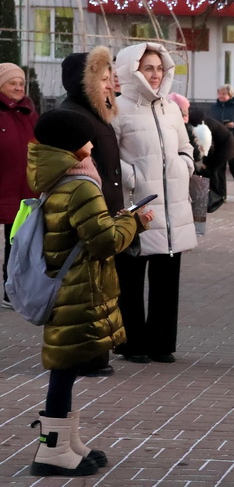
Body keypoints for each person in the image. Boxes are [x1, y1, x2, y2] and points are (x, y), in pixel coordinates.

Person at [25, 109, 152, 477]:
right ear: (72, 146)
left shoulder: (56, 177)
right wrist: (134, 221)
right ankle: (51, 451)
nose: (93, 144)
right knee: (64, 368)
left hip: (67, 284)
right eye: (87, 140)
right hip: (77, 287)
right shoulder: (79, 184)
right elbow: (103, 242)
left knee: (66, 367)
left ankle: (65, 441)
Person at [112, 43, 197, 364]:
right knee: (130, 277)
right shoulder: (117, 108)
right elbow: (108, 156)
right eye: (148, 68)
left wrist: (184, 164)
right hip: (136, 206)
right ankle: (132, 344)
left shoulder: (170, 108)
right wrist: (131, 176)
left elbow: (186, 144)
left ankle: (162, 343)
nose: (156, 74)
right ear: (132, 70)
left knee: (166, 276)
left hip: (172, 204)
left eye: (159, 68)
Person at [58, 48, 124, 377]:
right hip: (86, 213)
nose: (109, 84)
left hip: (102, 210)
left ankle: (95, 354)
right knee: (84, 291)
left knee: (99, 288)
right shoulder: (75, 117)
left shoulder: (97, 115)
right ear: (83, 83)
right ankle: (84, 356)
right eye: (101, 79)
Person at [0, 62, 38, 308]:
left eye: (21, 83)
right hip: (5, 186)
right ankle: (10, 290)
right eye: (12, 83)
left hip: (27, 188)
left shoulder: (30, 113)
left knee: (21, 242)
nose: (18, 87)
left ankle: (15, 290)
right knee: (13, 240)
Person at [188, 108, 234, 213]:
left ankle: (215, 195)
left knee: (213, 170)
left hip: (225, 148)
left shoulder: (204, 127)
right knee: (219, 171)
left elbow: (210, 146)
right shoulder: (206, 122)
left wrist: (206, 162)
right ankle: (222, 195)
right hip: (226, 146)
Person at [208, 84, 234, 202]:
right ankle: (221, 195)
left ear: (230, 95)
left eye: (223, 94)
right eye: (219, 94)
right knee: (219, 168)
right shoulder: (214, 107)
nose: (221, 96)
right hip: (218, 141)